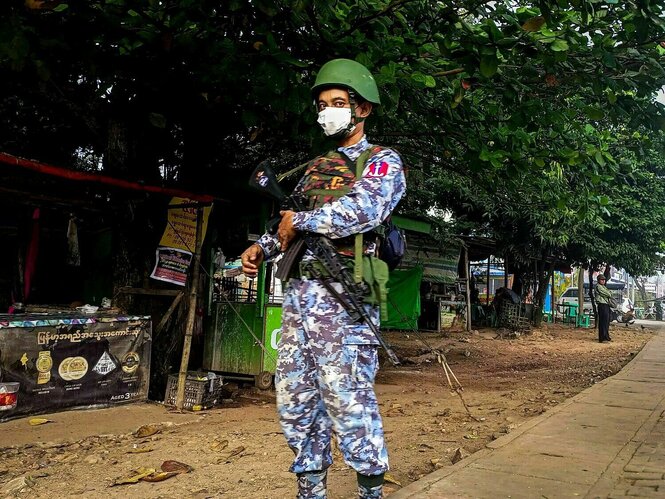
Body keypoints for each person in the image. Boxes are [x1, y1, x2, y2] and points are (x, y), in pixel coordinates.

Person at [241, 58, 406, 499]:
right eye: (321, 104)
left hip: (346, 292)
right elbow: (288, 221)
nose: (326, 111)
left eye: (337, 102)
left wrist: (302, 221)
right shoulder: (316, 168)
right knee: (296, 401)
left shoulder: (382, 162)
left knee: (349, 401)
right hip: (299, 297)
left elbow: (361, 211)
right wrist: (263, 246)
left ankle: (370, 491)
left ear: (362, 109)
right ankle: (309, 490)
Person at [595, 274, 612, 342]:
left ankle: (606, 336)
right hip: (602, 305)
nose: (603, 281)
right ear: (599, 280)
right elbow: (608, 294)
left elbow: (610, 293)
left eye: (604, 280)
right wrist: (608, 294)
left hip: (606, 304)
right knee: (603, 322)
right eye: (602, 280)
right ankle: (602, 337)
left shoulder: (603, 287)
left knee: (607, 321)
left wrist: (608, 293)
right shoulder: (598, 287)